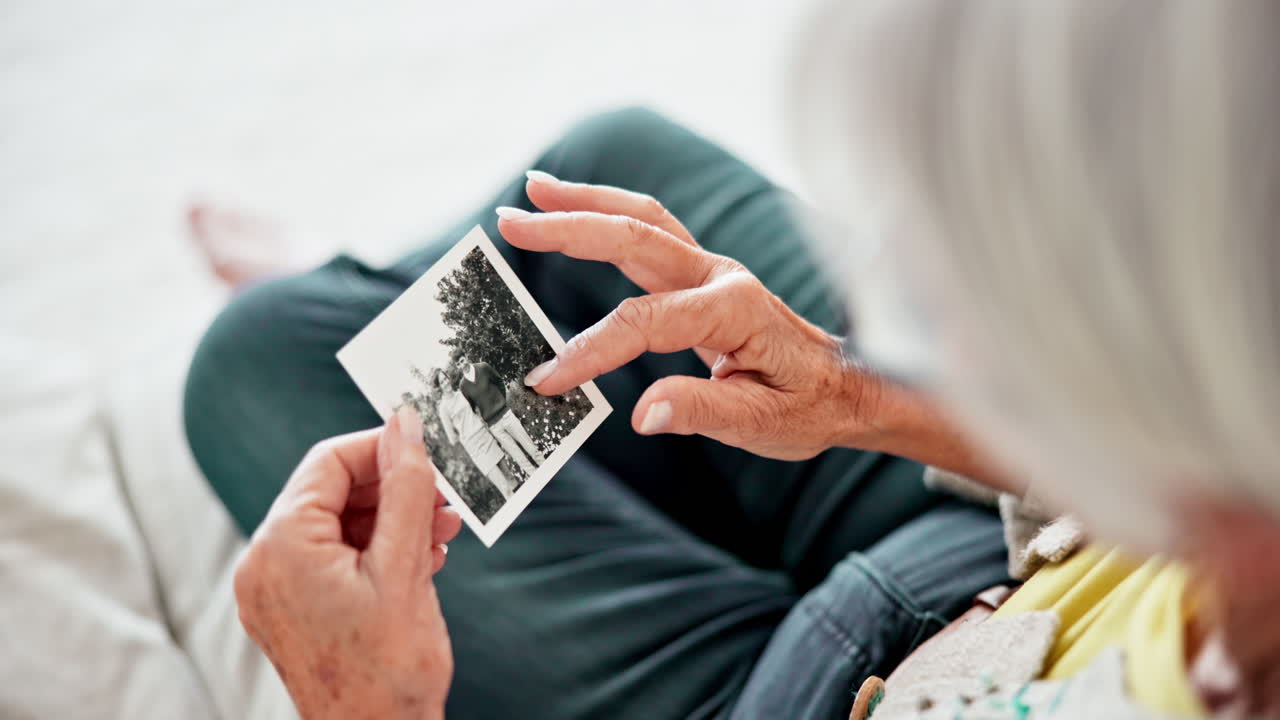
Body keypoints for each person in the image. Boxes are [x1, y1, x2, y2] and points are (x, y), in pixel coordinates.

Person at [187, 2, 1280, 718]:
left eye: (954, 266)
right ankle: (397, 312)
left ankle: (371, 311)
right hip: (1029, 525)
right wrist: (850, 391)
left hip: (811, 693)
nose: (901, 294)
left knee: (258, 355)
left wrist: (376, 711)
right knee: (603, 170)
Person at [431, 368, 519, 500]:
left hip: (485, 436)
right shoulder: (443, 408)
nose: (445, 383)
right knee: (504, 487)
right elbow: (452, 438)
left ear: (448, 378)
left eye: (445, 379)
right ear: (439, 387)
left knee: (510, 477)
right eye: (441, 382)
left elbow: (474, 410)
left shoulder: (461, 394)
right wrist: (466, 434)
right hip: (475, 448)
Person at [458, 358, 546, 477]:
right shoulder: (463, 386)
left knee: (531, 448)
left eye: (462, 360)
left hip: (506, 415)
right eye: (458, 363)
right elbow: (471, 407)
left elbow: (499, 381)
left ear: (466, 357)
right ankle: (540, 481)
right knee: (520, 459)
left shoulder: (483, 367)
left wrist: (501, 402)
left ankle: (548, 470)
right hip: (494, 426)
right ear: (457, 366)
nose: (462, 364)